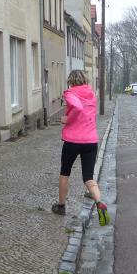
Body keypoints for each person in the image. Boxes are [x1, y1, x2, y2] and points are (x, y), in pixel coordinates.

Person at [52, 70, 110, 226]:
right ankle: (100, 203)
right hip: (90, 141)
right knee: (88, 177)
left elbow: (77, 107)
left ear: (71, 81)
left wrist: (67, 119)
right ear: (85, 80)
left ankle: (61, 206)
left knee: (65, 172)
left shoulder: (70, 93)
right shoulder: (91, 94)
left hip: (72, 141)